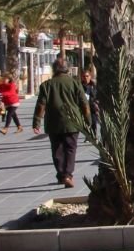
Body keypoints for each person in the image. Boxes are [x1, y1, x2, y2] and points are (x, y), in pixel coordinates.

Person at [31, 58, 91, 187]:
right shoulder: (75, 83)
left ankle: (61, 174)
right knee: (70, 148)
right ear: (67, 69)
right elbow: (84, 104)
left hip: (54, 122)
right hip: (72, 122)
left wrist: (36, 122)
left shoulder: (46, 85)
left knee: (57, 149)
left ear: (54, 69)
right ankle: (67, 175)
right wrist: (88, 122)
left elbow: (41, 105)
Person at [0, 70, 23, 134]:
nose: (4, 80)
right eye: (4, 78)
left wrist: (1, 94)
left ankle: (5, 128)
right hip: (7, 103)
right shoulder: (1, 85)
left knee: (9, 115)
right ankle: (19, 127)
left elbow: (10, 93)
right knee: (14, 115)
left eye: (6, 79)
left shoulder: (12, 85)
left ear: (9, 79)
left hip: (14, 102)